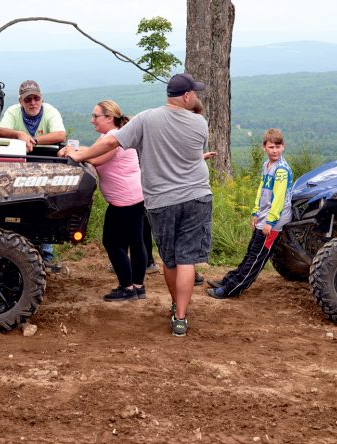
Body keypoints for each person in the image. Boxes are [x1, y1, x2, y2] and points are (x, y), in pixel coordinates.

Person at [61, 73, 213, 337]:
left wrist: (80, 155)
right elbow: (193, 138)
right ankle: (180, 317)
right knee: (187, 260)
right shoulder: (200, 123)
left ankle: (175, 304)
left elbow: (112, 141)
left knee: (170, 260)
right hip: (197, 196)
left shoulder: (146, 118)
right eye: (195, 93)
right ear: (187, 96)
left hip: (162, 200)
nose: (197, 97)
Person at [60, 100, 146, 301]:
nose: (92, 120)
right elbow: (93, 149)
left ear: (109, 118)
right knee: (136, 241)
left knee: (112, 242)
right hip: (135, 196)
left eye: (95, 116)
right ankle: (138, 286)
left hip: (124, 200)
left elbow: (95, 159)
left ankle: (127, 288)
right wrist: (74, 149)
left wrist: (74, 154)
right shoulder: (114, 135)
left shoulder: (113, 138)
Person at [207, 128, 293, 300]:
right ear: (264, 147)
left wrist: (270, 222)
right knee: (251, 253)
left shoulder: (281, 170)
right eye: (271, 147)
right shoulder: (267, 165)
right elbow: (262, 190)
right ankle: (229, 280)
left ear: (283, 147)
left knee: (256, 258)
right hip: (264, 216)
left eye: (277, 147)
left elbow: (278, 199)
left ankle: (231, 289)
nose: (274, 151)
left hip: (274, 220)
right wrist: (255, 212)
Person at [0, 80, 66, 266]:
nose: (33, 103)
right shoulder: (13, 111)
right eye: (28, 99)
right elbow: (0, 131)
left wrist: (33, 140)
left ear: (41, 98)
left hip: (45, 164)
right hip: (18, 165)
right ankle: (16, 250)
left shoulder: (49, 111)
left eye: (36, 98)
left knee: (44, 207)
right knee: (17, 206)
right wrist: (19, 135)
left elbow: (60, 134)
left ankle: (46, 253)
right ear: (21, 101)